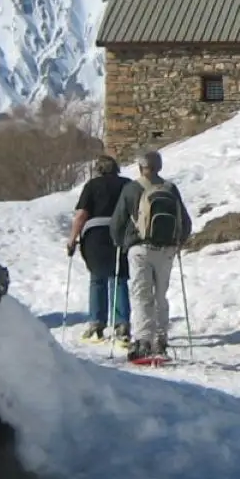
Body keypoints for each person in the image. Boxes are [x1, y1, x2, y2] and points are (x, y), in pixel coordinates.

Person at [110, 150, 192, 362]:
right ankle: (161, 340)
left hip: (140, 248)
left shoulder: (131, 188)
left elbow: (117, 222)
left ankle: (143, 341)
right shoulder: (170, 188)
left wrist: (121, 242)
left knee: (141, 295)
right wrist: (177, 242)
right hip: (167, 249)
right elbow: (186, 222)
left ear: (140, 167)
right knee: (160, 295)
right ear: (159, 167)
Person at [66, 155, 130, 343]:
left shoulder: (92, 186)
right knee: (119, 278)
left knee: (97, 278)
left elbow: (81, 215)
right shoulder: (127, 184)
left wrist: (72, 239)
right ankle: (122, 324)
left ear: (98, 169)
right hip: (120, 234)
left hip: (95, 235)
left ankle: (96, 323)